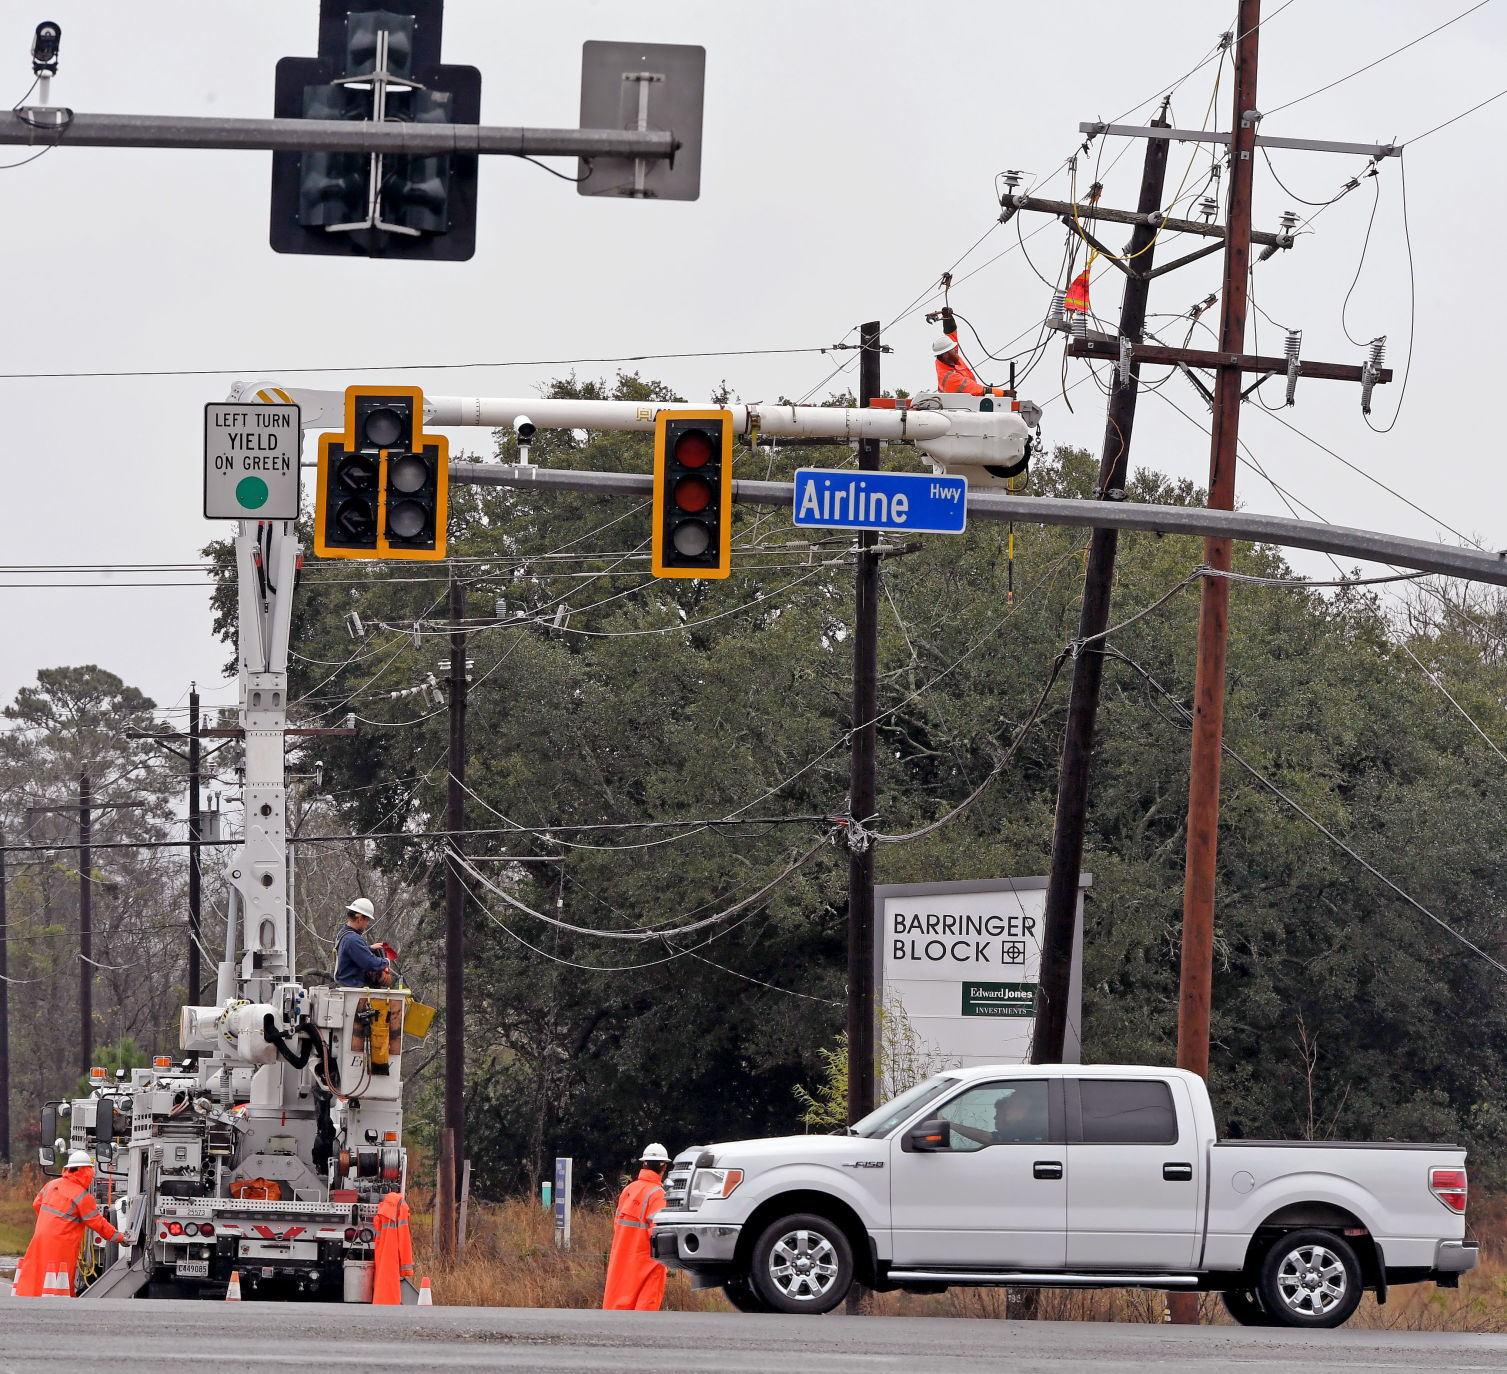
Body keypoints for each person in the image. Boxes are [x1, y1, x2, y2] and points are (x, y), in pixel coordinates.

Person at [13, 1150, 129, 1297]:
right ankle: (63, 1304)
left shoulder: (51, 1185)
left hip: (40, 1238)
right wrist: (120, 1237)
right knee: (60, 1276)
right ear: (87, 1172)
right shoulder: (83, 1197)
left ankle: (31, 1297)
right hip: (62, 1245)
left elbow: (37, 1204)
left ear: (67, 1169)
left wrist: (49, 1223)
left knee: (38, 1270)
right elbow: (98, 1223)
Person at [603, 1143, 671, 1311]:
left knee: (617, 1311)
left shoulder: (628, 1190)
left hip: (622, 1262)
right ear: (664, 1167)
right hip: (648, 1267)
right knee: (643, 1319)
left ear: (644, 1164)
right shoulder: (658, 1195)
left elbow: (617, 1226)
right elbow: (658, 1235)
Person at [334, 896, 392, 988]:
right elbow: (369, 963)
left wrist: (369, 948)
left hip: (347, 987)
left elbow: (353, 953)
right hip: (354, 990)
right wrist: (386, 961)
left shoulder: (344, 934)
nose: (367, 924)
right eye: (367, 920)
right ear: (360, 919)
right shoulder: (352, 939)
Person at [929, 305, 987, 397]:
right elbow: (978, 390)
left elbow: (951, 335)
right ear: (945, 354)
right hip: (962, 405)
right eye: (953, 349)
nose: (956, 350)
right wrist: (1003, 393)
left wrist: (948, 318)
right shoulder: (950, 377)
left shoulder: (950, 360)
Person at [371, 1187, 414, 1304]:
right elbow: (404, 1239)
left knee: (382, 1282)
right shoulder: (401, 1206)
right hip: (392, 1253)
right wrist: (406, 1267)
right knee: (390, 1288)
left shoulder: (383, 1209)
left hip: (382, 1253)